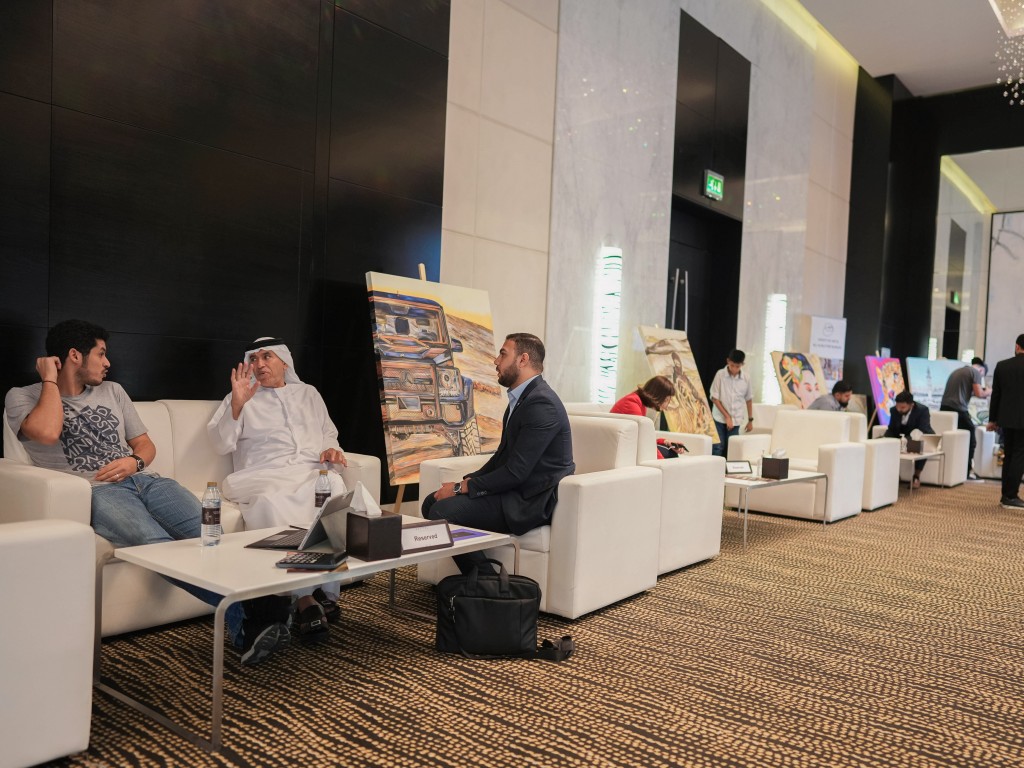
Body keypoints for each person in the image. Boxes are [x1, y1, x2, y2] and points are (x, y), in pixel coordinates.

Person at [4, 320, 289, 665]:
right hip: (100, 492)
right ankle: (256, 612)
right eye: (101, 354)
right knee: (155, 544)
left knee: (209, 535)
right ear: (75, 355)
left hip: (147, 481)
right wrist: (51, 380)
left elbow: (145, 445)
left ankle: (253, 622)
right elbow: (47, 433)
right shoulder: (23, 396)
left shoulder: (113, 391)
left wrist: (134, 462)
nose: (108, 363)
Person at [421, 333, 575, 574]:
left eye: (503, 354)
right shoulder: (522, 399)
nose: (496, 360)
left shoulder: (541, 404)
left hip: (529, 500)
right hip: (513, 490)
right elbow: (501, 458)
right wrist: (465, 482)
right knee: (431, 502)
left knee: (442, 512)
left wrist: (461, 489)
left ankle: (488, 584)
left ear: (523, 359)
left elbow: (516, 472)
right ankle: (478, 580)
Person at [207, 337, 348, 530]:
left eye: (266, 356)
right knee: (270, 500)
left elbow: (328, 433)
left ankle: (324, 542)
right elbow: (220, 444)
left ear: (284, 362)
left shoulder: (308, 393)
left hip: (307, 470)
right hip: (262, 474)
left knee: (332, 482)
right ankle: (288, 546)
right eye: (254, 359)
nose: (259, 364)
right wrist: (236, 406)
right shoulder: (239, 397)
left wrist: (331, 449)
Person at [986, 335, 1024, 509]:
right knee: (1019, 455)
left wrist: (992, 419)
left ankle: (1005, 495)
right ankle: (1011, 495)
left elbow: (996, 395)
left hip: (1006, 419)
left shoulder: (1002, 366)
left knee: (1009, 454)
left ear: (1017, 347)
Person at [610, 375, 687, 458]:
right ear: (657, 395)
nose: (666, 406)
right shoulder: (632, 404)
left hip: (627, 447)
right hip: (621, 450)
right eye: (666, 400)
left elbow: (643, 438)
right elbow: (643, 441)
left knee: (670, 451)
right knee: (671, 454)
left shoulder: (637, 402)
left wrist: (665, 442)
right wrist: (662, 463)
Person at [940, 357, 991, 480]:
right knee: (971, 440)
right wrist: (989, 391)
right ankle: (966, 472)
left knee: (951, 440)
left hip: (945, 408)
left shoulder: (958, 371)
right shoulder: (976, 373)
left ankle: (950, 470)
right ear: (981, 370)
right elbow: (979, 393)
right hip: (958, 409)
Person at [885, 390, 935, 489]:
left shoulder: (922, 410)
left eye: (903, 407)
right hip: (902, 434)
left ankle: (916, 476)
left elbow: (922, 429)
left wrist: (904, 441)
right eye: (898, 406)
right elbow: (891, 429)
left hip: (920, 435)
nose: (899, 409)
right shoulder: (894, 410)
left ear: (911, 405)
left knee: (921, 446)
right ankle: (894, 475)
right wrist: (885, 440)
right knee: (885, 445)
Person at [709, 349, 754, 457]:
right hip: (719, 418)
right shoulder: (720, 375)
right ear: (728, 361)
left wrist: (750, 420)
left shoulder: (746, 378)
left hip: (736, 420)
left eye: (737, 366)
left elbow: (749, 399)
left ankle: (730, 469)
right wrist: (727, 417)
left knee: (733, 449)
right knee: (718, 447)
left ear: (742, 364)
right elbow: (714, 398)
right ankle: (715, 468)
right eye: (732, 365)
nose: (734, 369)